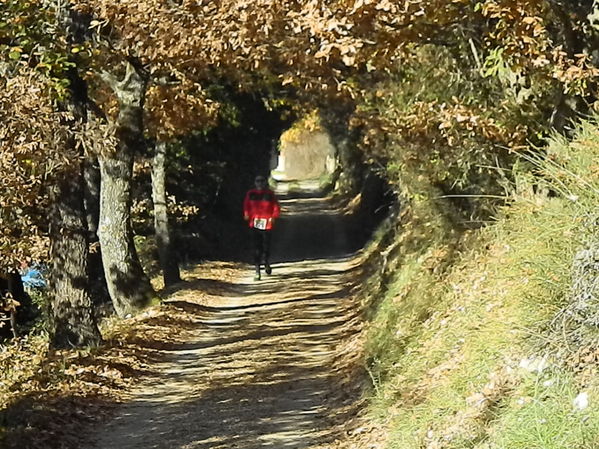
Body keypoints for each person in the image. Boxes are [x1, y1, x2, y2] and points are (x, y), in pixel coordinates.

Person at [243, 175, 280, 280]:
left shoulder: (269, 194)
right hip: (254, 223)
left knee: (266, 246)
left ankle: (266, 262)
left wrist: (273, 217)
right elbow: (246, 206)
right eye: (257, 181)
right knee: (256, 247)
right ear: (255, 183)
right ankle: (257, 270)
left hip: (267, 224)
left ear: (265, 183)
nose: (259, 183)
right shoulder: (251, 194)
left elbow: (276, 207)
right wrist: (246, 214)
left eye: (262, 181)